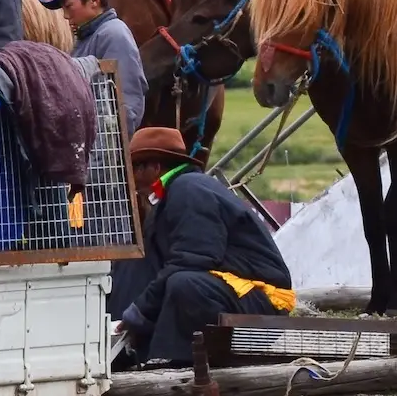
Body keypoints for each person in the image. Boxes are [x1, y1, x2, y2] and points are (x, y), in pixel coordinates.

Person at [114, 126, 294, 368]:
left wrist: (141, 309)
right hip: (224, 287)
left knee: (184, 284)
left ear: (155, 168)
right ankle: (120, 352)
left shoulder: (189, 189)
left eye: (135, 169)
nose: (132, 181)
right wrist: (129, 314)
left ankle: (175, 361)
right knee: (134, 262)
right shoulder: (174, 194)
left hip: (259, 298)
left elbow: (194, 258)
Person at [41, 0, 145, 136]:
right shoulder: (88, 37)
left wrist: (112, 149)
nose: (66, 16)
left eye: (69, 6)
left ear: (94, 1)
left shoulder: (114, 34)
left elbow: (126, 101)